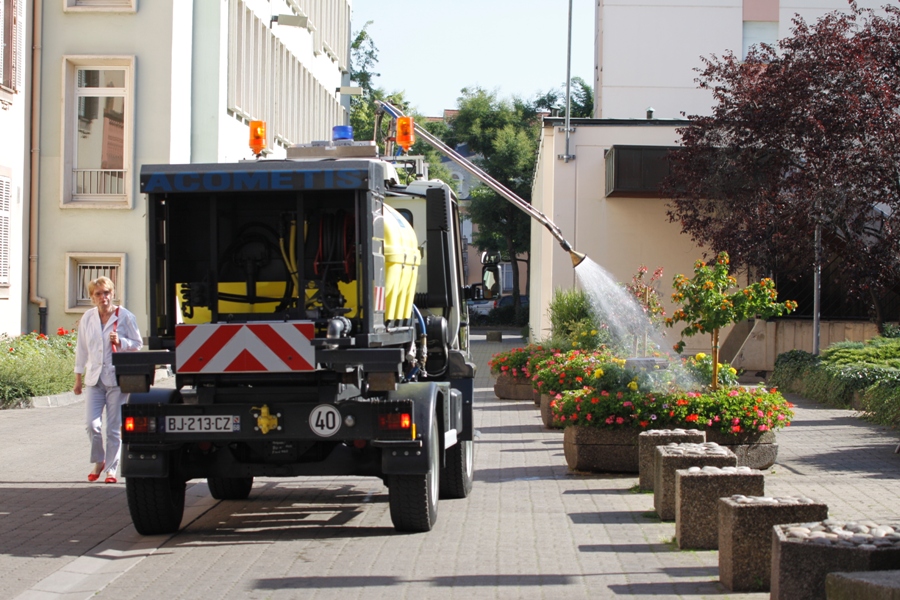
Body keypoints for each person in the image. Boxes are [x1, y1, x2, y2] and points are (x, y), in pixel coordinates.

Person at [73, 277, 142, 483]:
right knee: (92, 425)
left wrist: (121, 341)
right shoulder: (88, 317)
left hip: (116, 378)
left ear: (112, 294)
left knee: (113, 427)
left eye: (106, 293)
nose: (103, 297)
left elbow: (137, 343)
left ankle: (111, 469)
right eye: (98, 294)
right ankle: (99, 460)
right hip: (94, 379)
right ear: (92, 297)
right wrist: (78, 378)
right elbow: (81, 349)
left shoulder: (125, 316)